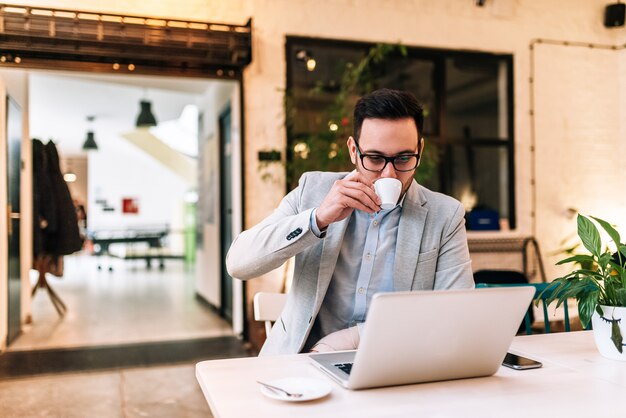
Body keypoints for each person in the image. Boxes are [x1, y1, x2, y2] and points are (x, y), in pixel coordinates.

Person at [227, 88, 474, 356]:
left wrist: (350, 339)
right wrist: (318, 218)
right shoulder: (313, 189)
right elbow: (238, 263)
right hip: (300, 361)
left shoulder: (445, 215)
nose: (389, 174)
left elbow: (455, 313)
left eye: (403, 158)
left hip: (394, 361)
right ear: (353, 151)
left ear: (420, 150)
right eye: (375, 158)